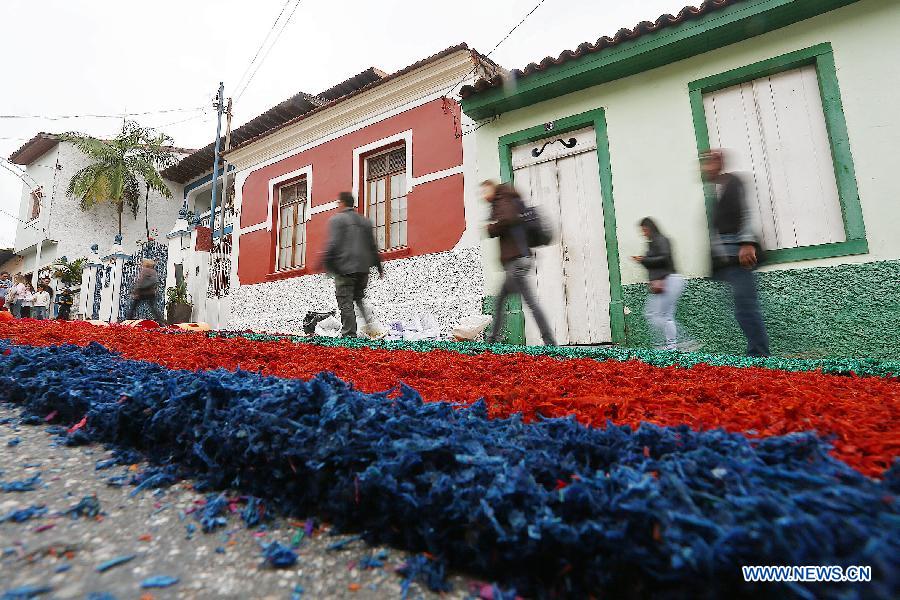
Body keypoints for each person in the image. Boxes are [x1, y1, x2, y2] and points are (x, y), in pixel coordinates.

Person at [700, 150, 770, 357]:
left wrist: (747, 242)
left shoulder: (734, 183)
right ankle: (757, 352)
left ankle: (759, 355)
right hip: (729, 262)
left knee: (746, 308)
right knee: (743, 308)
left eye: (707, 163)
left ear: (718, 163)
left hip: (740, 258)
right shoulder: (718, 191)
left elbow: (745, 213)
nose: (703, 168)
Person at [482, 180, 556, 346]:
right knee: (501, 302)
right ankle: (493, 340)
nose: (483, 195)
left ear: (492, 189)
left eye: (485, 190)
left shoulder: (502, 199)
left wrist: (490, 229)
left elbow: (507, 218)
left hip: (516, 262)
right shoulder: (505, 200)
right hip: (518, 261)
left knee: (529, 302)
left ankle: (549, 341)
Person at [323, 192, 383, 338]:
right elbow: (372, 246)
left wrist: (328, 264)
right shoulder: (365, 221)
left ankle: (349, 334)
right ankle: (370, 328)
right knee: (359, 298)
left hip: (345, 269)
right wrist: (379, 266)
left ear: (342, 203)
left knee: (345, 301)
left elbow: (333, 244)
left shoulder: (337, 220)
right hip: (363, 270)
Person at [632, 218, 695, 351]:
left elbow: (664, 258)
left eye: (644, 230)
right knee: (657, 314)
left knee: (660, 315)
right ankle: (671, 345)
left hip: (669, 279)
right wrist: (644, 261)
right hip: (663, 280)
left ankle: (680, 342)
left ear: (651, 228)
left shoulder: (661, 240)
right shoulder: (653, 243)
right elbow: (655, 263)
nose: (643, 233)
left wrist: (645, 259)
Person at [127, 258, 164, 323]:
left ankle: (128, 320)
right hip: (151, 293)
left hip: (142, 292)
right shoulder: (153, 271)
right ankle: (161, 320)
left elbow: (141, 281)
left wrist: (136, 290)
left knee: (133, 307)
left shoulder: (145, 270)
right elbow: (155, 282)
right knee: (153, 308)